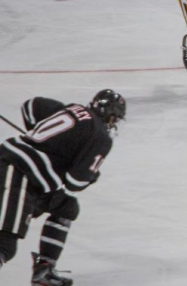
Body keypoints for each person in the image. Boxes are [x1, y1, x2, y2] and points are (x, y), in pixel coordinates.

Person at [0, 90, 126, 285]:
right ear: (111, 116)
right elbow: (75, 182)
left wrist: (44, 139)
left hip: (22, 173)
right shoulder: (101, 136)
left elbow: (30, 106)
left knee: (66, 207)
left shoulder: (73, 108)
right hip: (17, 174)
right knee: (4, 244)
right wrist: (91, 175)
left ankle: (45, 270)